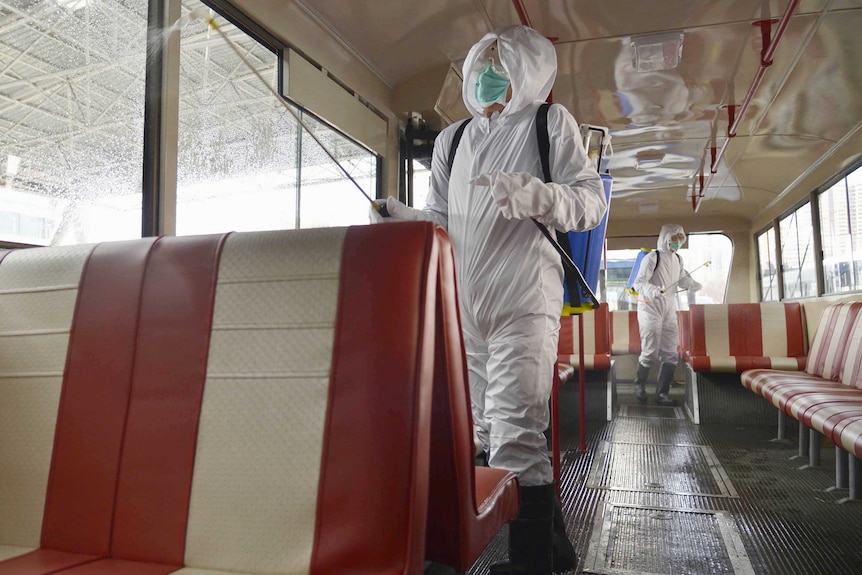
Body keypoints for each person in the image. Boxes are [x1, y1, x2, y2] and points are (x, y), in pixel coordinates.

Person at [371, 25, 606, 575]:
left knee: (517, 431)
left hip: (525, 301)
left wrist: (538, 195)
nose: (487, 75)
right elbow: (441, 221)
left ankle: (530, 568)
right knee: (477, 428)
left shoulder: (550, 124)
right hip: (465, 308)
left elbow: (590, 203)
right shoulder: (453, 139)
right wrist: (402, 219)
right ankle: (555, 552)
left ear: (530, 73)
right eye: (481, 64)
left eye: (501, 65)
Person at [631, 224, 702, 406]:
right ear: (665, 238)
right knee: (650, 351)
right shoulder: (651, 258)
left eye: (680, 239)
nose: (677, 243)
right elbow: (638, 283)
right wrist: (654, 290)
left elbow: (681, 279)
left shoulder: (678, 259)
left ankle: (662, 393)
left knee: (671, 352)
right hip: (649, 308)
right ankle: (639, 385)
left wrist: (692, 284)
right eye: (674, 239)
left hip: (669, 308)